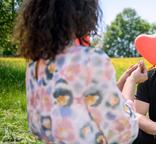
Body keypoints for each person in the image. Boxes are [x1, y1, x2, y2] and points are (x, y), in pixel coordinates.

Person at [14, 0, 148, 143]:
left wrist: (122, 81)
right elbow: (124, 131)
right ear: (84, 12)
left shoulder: (34, 65)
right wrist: (131, 82)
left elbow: (37, 125)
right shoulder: (90, 60)